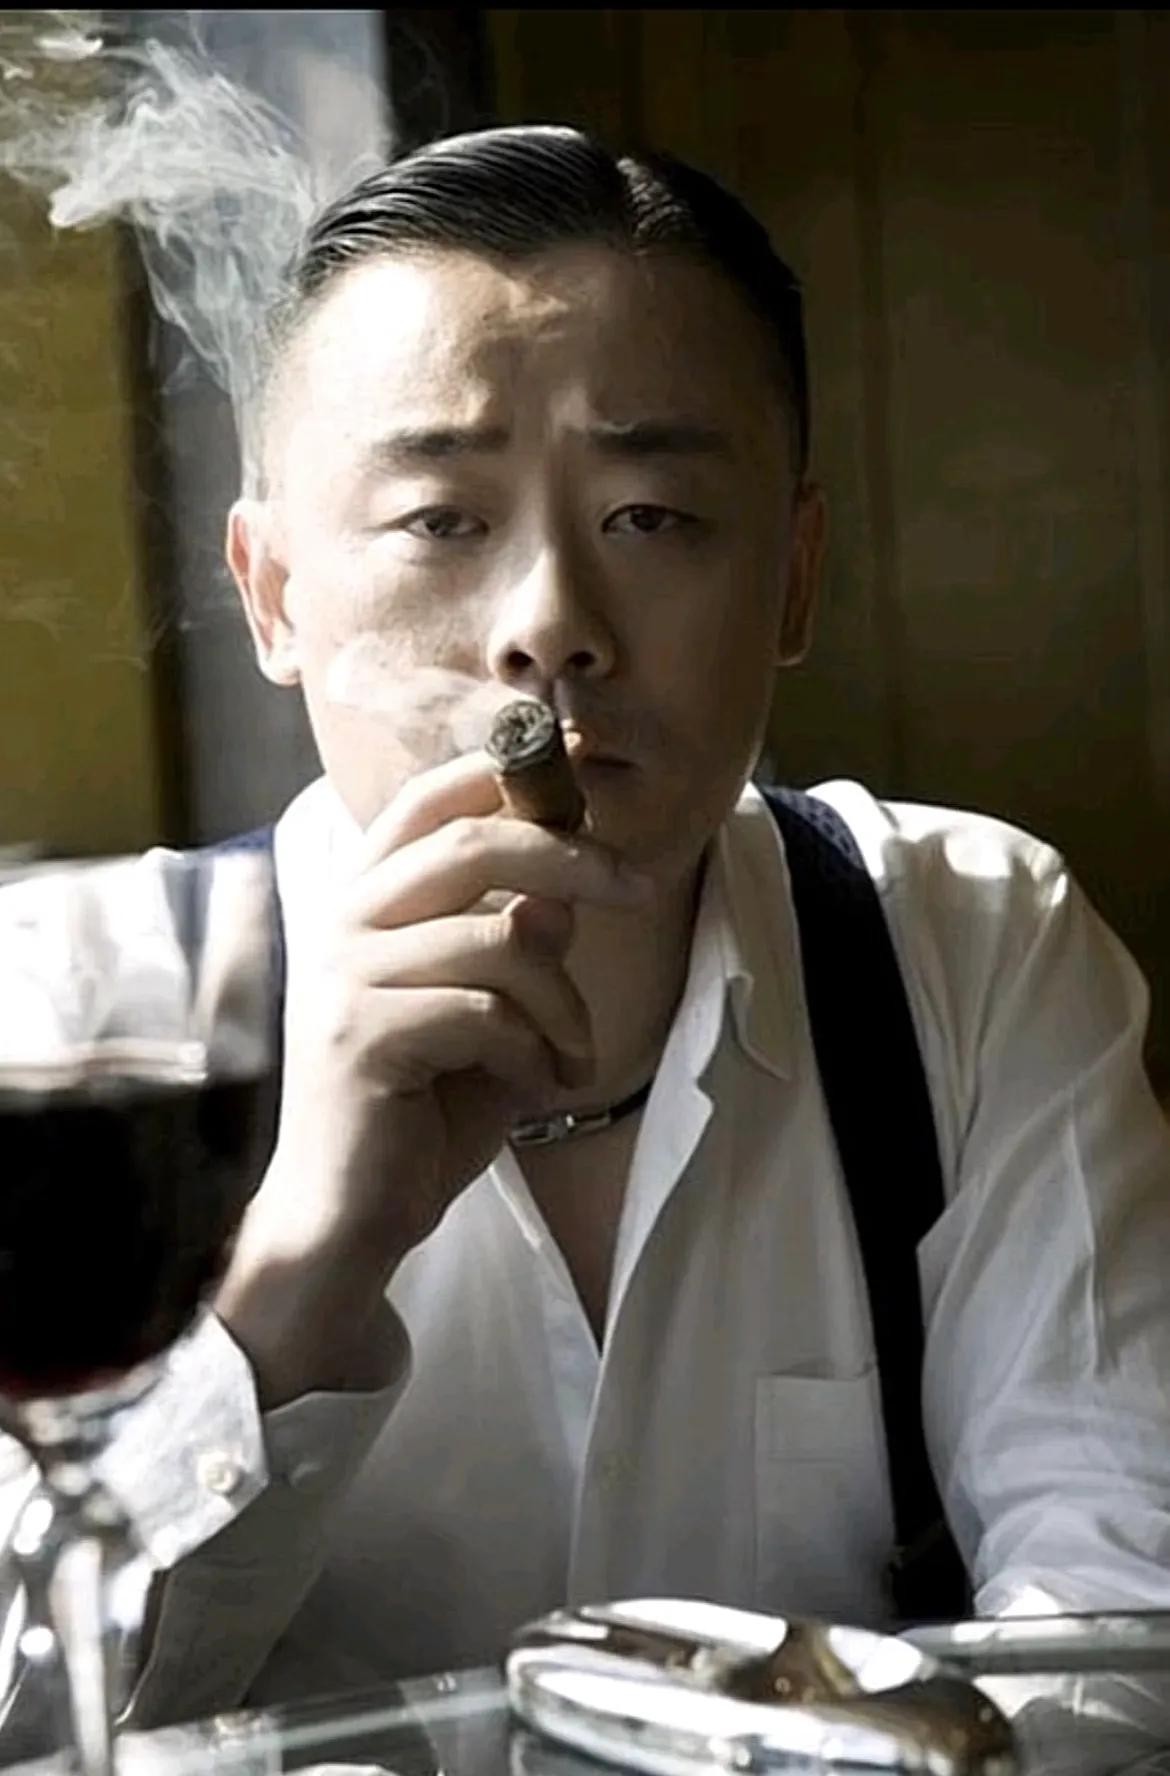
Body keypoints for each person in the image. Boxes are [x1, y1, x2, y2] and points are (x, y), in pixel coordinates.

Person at [6, 123, 1170, 1735]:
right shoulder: (73, 1022)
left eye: (652, 517)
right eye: (440, 519)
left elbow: (1120, 1634)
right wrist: (299, 1271)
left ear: (793, 580)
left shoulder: (966, 944)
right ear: (274, 594)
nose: (549, 622)